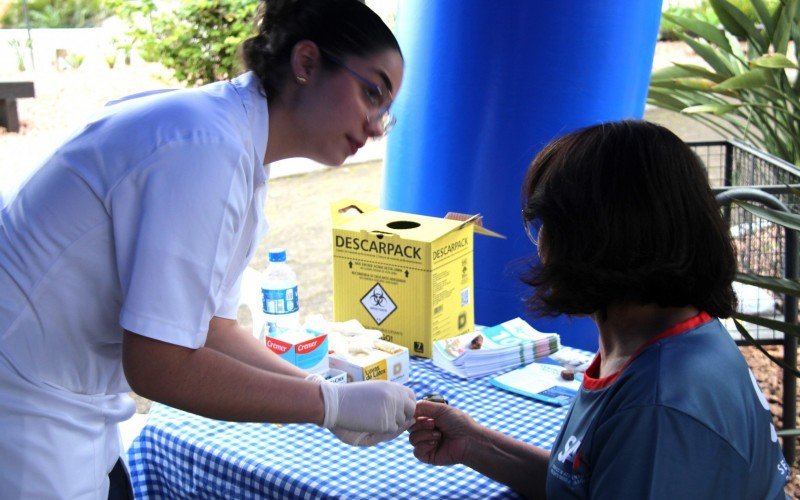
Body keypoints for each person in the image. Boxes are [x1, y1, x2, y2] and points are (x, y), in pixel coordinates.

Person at [0, 1, 414, 498]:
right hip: (24, 412)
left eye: (385, 114)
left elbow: (213, 329)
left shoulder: (233, 142)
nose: (374, 125)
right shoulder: (205, 147)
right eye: (372, 93)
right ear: (306, 63)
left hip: (71, 404)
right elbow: (160, 365)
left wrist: (331, 396)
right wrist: (327, 405)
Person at [409, 120, 791, 499]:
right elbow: (584, 482)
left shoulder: (657, 410)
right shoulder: (671, 340)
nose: (540, 248)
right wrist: (473, 443)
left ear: (597, 240)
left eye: (545, 226)